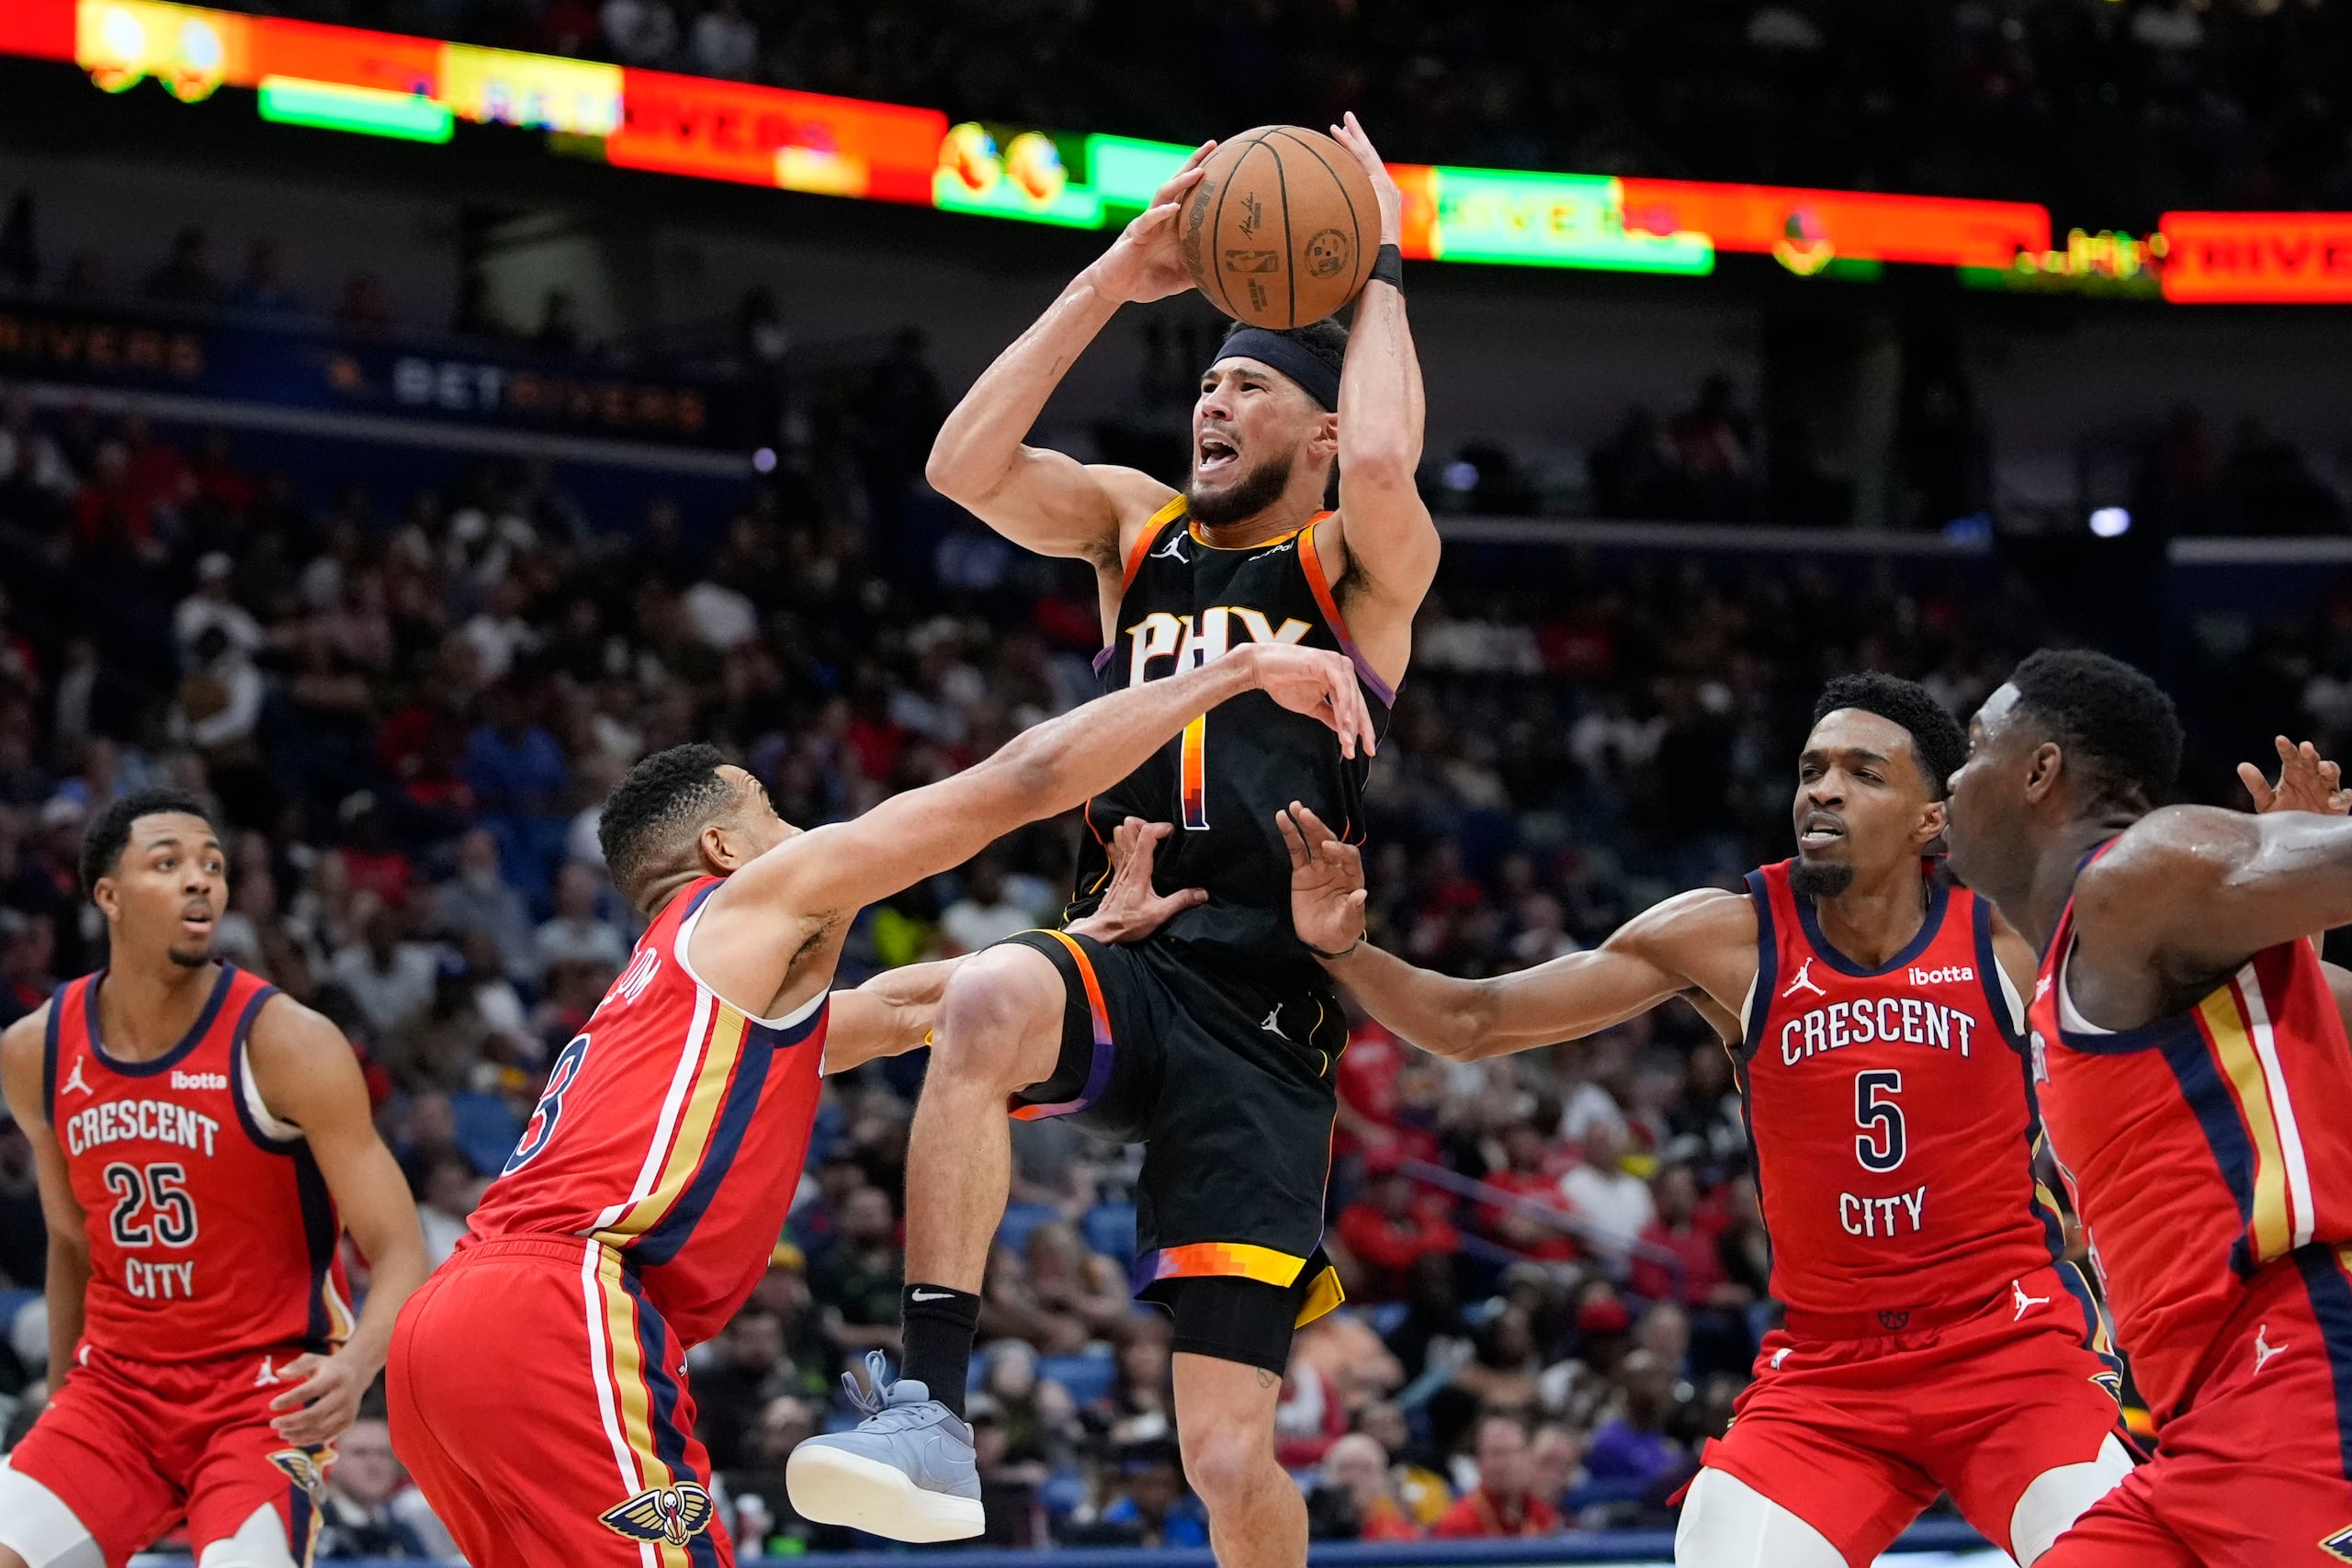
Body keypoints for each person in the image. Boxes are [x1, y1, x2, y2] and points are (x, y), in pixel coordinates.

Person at [792, 115, 1438, 1568]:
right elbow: (964, 465)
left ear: (1318, 431)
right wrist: (1114, 273)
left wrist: (1381, 257)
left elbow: (1392, 460)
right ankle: (928, 1409)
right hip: (1130, 945)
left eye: (1251, 384)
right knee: (981, 993)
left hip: (1267, 1015)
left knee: (1223, 1452)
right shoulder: (1132, 531)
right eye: (1203, 381)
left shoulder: (1349, 563)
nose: (1212, 400)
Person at [387, 637, 1374, 1567]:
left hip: (444, 1342)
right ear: (727, 848)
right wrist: (1230, 672)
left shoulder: (670, 994)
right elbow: (1019, 785)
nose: (802, 827)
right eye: (772, 808)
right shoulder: (750, 904)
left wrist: (1092, 943)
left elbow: (904, 1007)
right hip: (560, 1306)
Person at [1282, 673, 2143, 1568]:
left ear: (1931, 817)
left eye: (1862, 772)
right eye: (1812, 769)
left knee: (2118, 1556)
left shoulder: (2010, 934)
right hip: (1830, 1368)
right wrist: (1344, 948)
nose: (1822, 788)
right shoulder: (1729, 937)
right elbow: (1473, 1021)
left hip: (2009, 1344)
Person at [1940, 651, 2352, 1567]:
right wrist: (2286, 906)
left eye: (1971, 750)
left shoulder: (2136, 877)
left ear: (2039, 771)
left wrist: (2297, 864)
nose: (1952, 780)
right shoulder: (2094, 963)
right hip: (2190, 1425)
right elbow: (2304, 1044)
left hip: (2301, 1372)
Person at [0, 789, 430, 1568]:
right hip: (114, 1396)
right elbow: (70, 1243)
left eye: (213, 865)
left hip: (262, 1399)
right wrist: (62, 1398)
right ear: (109, 895)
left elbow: (400, 1246)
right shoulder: (36, 1048)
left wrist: (356, 1363)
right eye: (168, 864)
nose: (201, 880)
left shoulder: (287, 1042)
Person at [1431, 1414, 1560, 1539]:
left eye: (1511, 1453)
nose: (1502, 1464)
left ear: (1528, 1457)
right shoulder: (1457, 1525)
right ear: (1478, 1461)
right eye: (1495, 1453)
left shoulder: (1544, 1516)